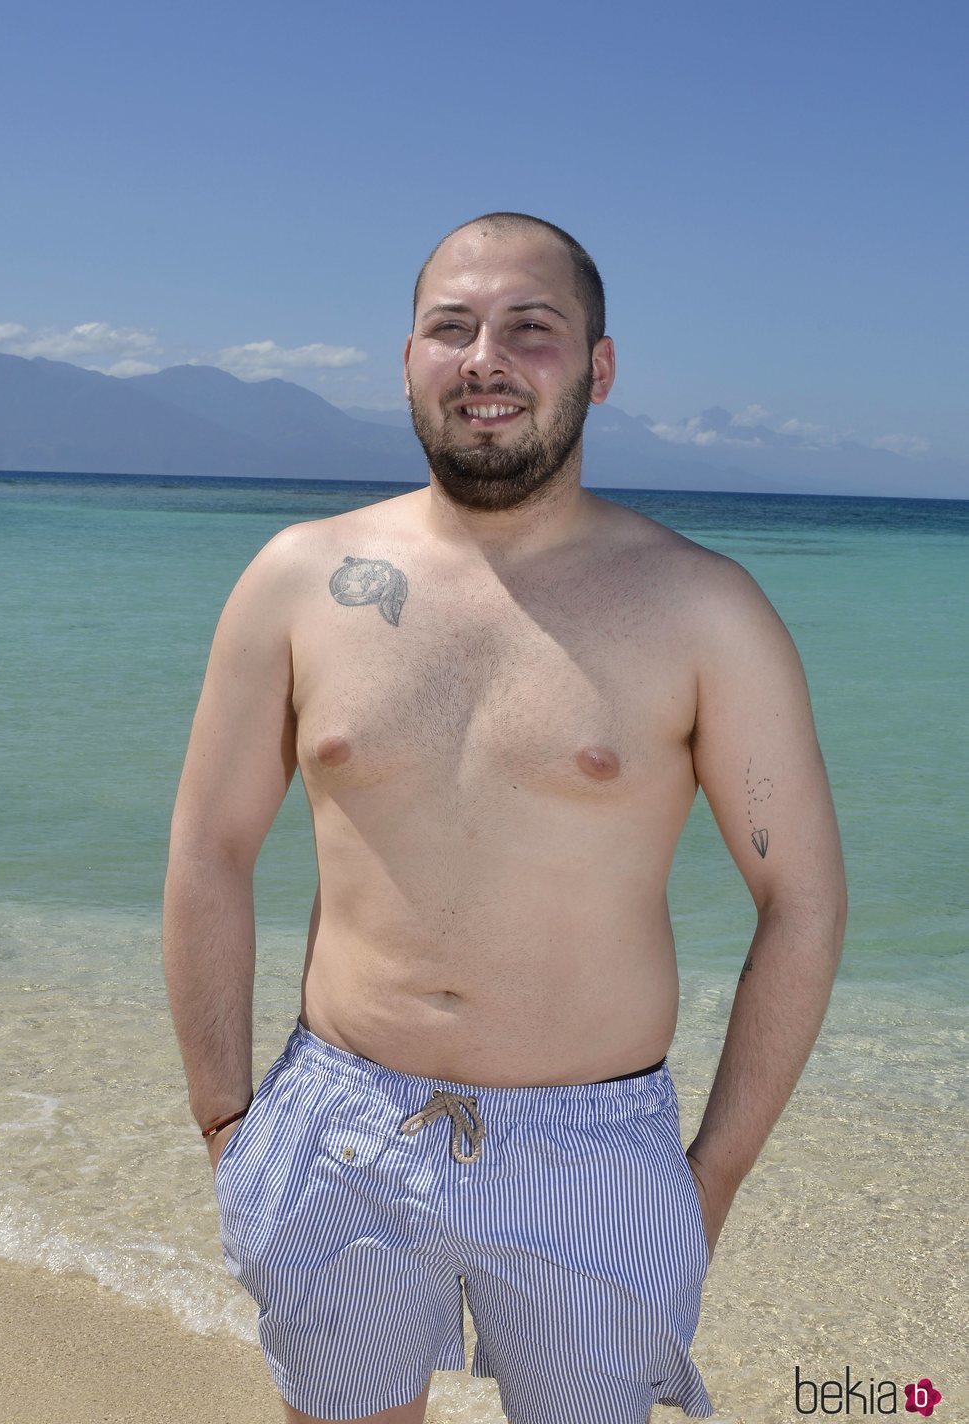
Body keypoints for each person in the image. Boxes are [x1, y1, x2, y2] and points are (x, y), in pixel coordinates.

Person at [163, 211, 847, 1424]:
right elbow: (210, 850)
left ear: (597, 366)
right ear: (409, 357)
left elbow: (798, 899)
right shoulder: (296, 579)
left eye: (531, 328)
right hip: (335, 1129)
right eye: (451, 326)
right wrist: (228, 1118)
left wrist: (710, 1176)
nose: (485, 356)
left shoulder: (702, 610)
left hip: (595, 1148)